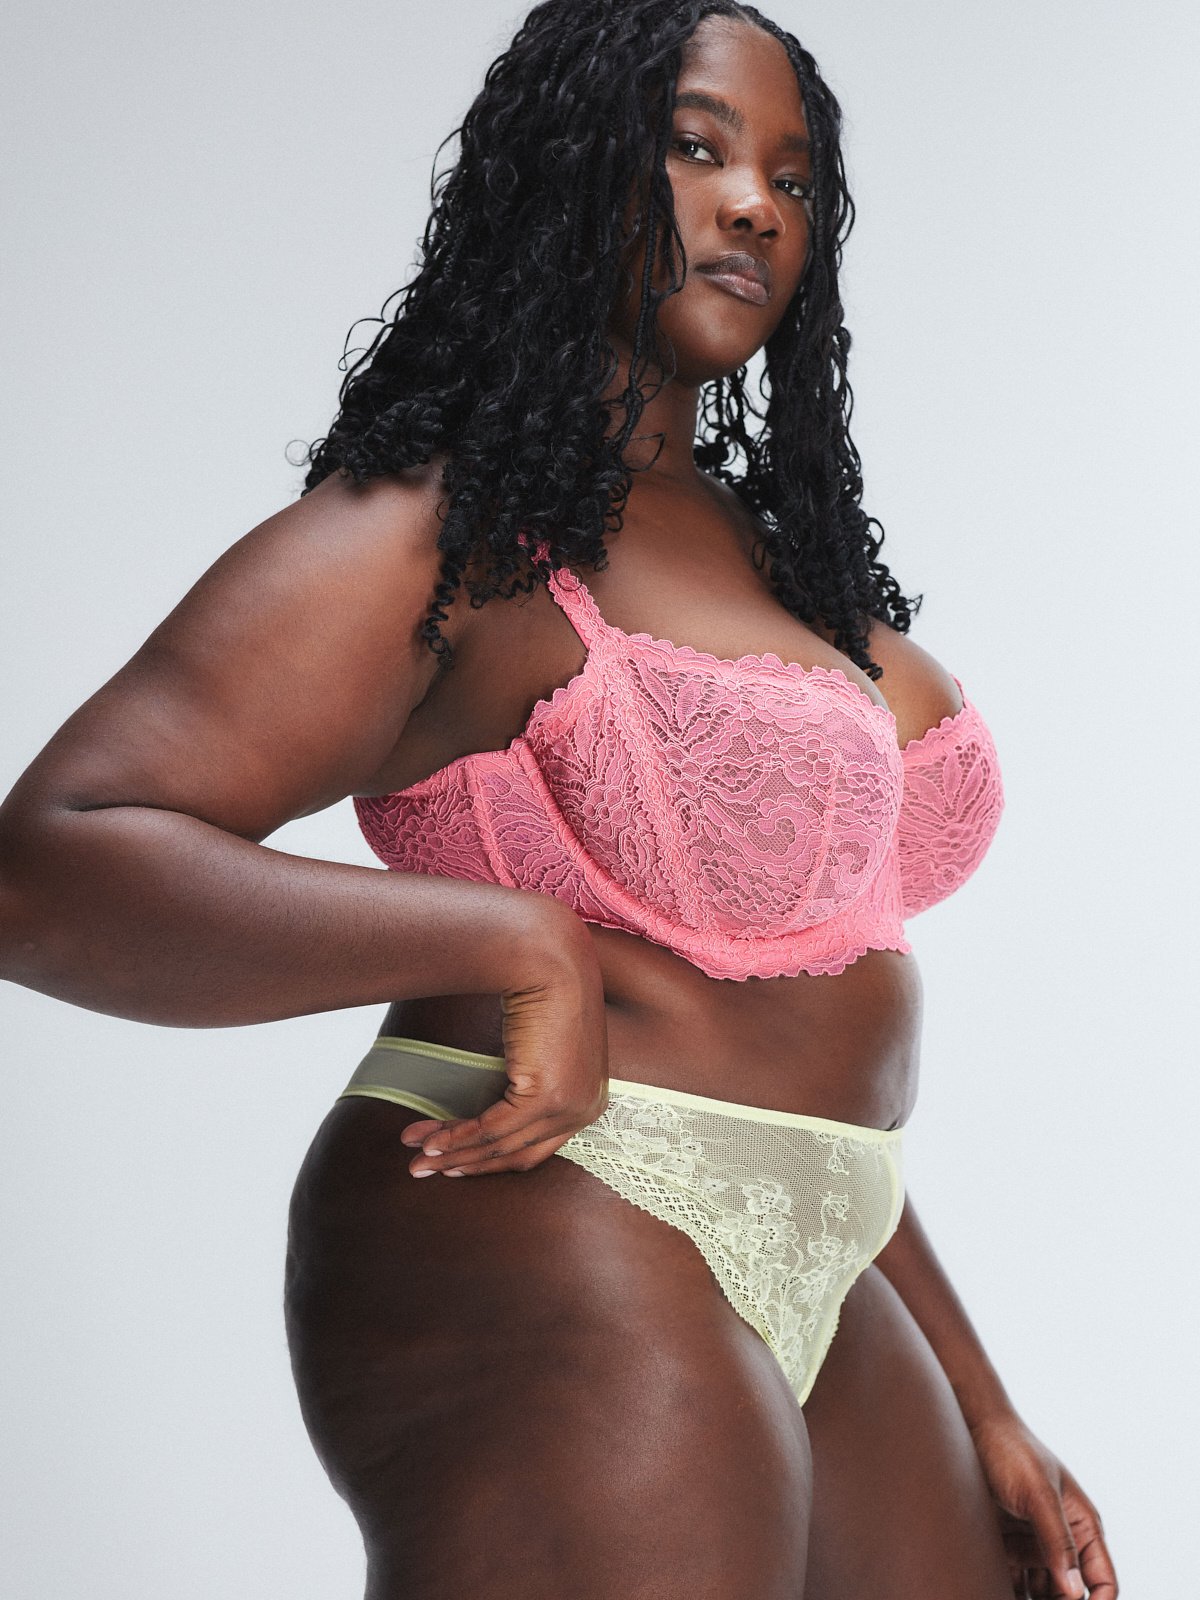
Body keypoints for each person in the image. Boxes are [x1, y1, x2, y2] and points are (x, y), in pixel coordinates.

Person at [0, 1, 1119, 1596]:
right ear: (570, 165)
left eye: (794, 179)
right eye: (697, 147)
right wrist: (512, 942)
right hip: (551, 1204)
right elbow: (49, 868)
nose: (755, 206)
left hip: (836, 1238)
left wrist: (981, 1392)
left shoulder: (776, 553)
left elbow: (795, 1031)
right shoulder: (441, 531)